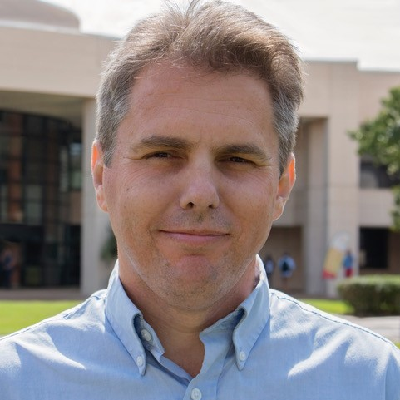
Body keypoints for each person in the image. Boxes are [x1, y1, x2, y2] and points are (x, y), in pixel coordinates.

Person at [0, 1, 399, 398]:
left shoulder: (373, 380)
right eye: (162, 154)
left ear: (281, 185)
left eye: (237, 159)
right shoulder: (14, 382)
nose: (200, 195)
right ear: (102, 175)